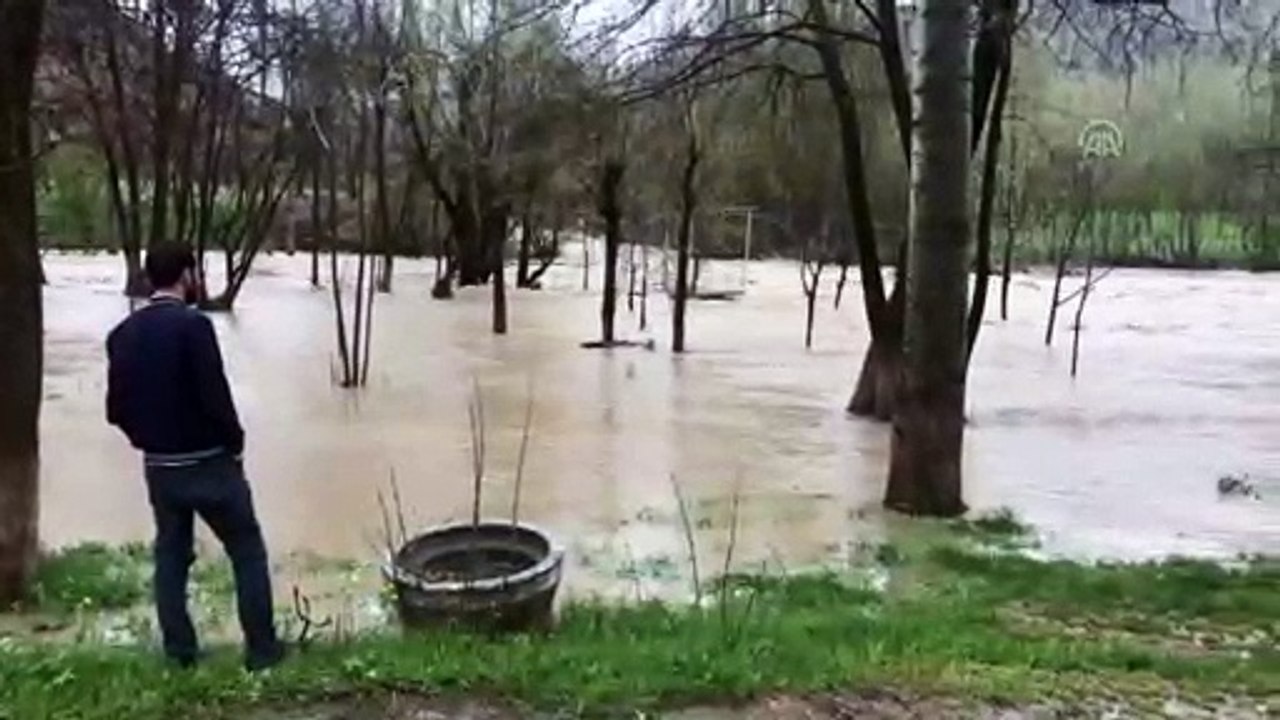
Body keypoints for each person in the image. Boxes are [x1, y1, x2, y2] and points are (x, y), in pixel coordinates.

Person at [106, 242, 284, 671]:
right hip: (210, 462)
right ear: (187, 275)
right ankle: (262, 652)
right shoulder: (194, 327)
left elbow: (115, 411)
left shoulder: (122, 334)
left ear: (149, 278)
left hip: (160, 468)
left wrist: (150, 442)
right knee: (246, 551)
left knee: (170, 557)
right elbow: (215, 397)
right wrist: (234, 443)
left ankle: (180, 653)